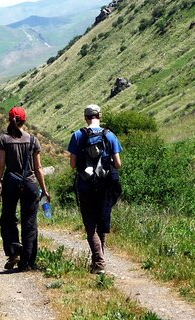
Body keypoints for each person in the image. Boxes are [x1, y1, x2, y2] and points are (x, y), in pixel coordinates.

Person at [67, 104, 123, 274]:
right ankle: (99, 261)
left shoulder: (78, 136)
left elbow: (72, 164)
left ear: (85, 117)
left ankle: (98, 262)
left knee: (90, 225)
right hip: (105, 187)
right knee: (101, 221)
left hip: (85, 185)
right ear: (99, 115)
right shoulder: (109, 135)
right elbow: (118, 164)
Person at [0, 106, 49, 272]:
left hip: (11, 183)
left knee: (8, 219)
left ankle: (14, 250)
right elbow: (38, 168)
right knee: (29, 223)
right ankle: (28, 262)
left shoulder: (4, 139)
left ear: (9, 120)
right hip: (30, 184)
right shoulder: (32, 140)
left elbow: (1, 165)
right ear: (24, 121)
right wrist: (44, 190)